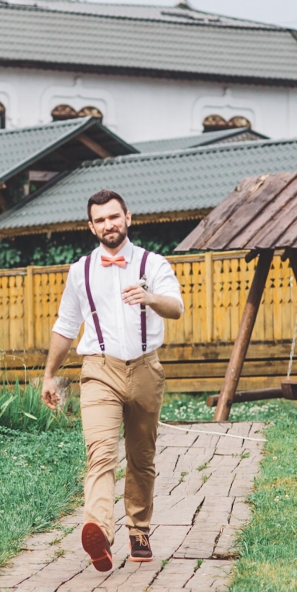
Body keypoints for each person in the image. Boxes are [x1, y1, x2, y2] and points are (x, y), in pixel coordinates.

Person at [41, 189, 184, 572]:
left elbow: (177, 307)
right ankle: (99, 532)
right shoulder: (79, 271)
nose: (109, 224)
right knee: (100, 453)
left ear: (128, 218)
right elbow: (66, 326)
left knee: (141, 457)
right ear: (91, 226)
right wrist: (49, 375)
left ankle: (138, 529)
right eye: (101, 219)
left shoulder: (153, 263)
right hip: (98, 370)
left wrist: (150, 297)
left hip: (144, 368)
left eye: (114, 217)